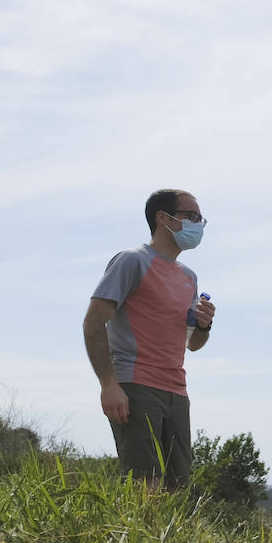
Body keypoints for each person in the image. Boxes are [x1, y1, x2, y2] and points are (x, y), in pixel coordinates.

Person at [83, 189, 216, 489]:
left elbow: (191, 344)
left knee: (176, 488)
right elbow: (93, 322)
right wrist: (109, 385)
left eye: (201, 219)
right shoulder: (132, 261)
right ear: (163, 217)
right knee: (145, 485)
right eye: (191, 216)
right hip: (135, 384)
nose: (198, 225)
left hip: (176, 391)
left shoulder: (189, 278)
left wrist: (204, 326)